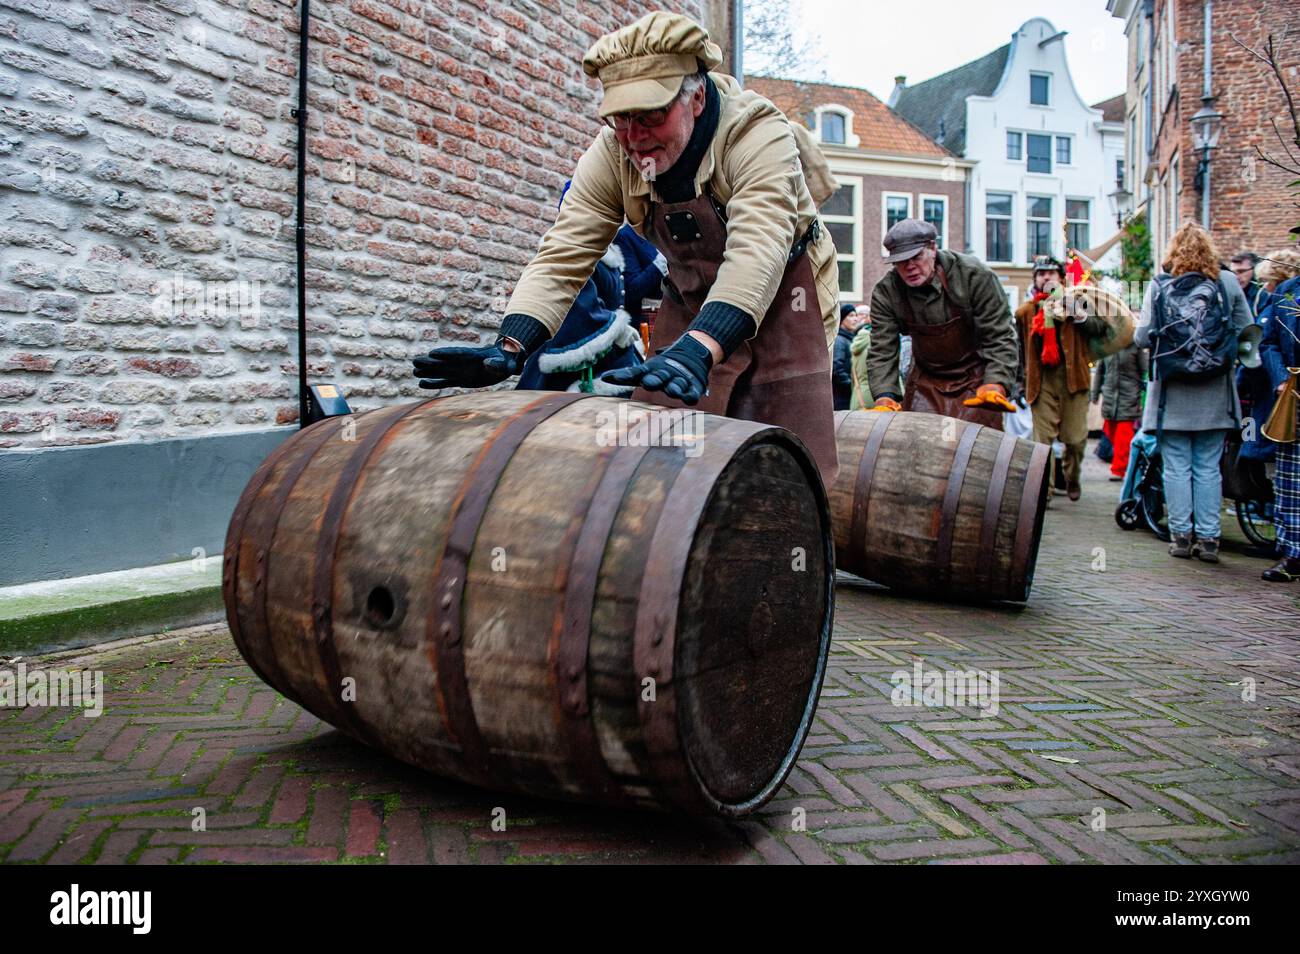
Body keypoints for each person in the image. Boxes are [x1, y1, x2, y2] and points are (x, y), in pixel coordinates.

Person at [411, 12, 840, 484]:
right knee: (659, 454)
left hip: (786, 302)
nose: (634, 138)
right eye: (621, 118)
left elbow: (758, 253)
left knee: (780, 462)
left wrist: (698, 351)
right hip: (692, 300)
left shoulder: (756, 133)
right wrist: (511, 345)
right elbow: (564, 252)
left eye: (651, 115)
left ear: (696, 97)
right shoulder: (613, 153)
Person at [1135, 223, 1252, 562]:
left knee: (1175, 467)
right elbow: (1248, 331)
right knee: (1208, 467)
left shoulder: (1159, 285)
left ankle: (1181, 536)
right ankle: (1210, 539)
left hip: (1171, 393)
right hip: (1215, 390)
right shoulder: (1227, 282)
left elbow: (1143, 337)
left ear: (1172, 252)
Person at [865, 219, 1020, 429]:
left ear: (933, 248)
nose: (909, 267)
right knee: (919, 446)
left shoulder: (973, 276)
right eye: (901, 261)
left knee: (977, 449)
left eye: (916, 257)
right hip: (925, 380)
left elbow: (999, 334)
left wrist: (996, 382)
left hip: (976, 378)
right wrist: (885, 396)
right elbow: (882, 349)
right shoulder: (887, 292)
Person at [1014, 255, 1106, 500]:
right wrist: (1018, 384)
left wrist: (1075, 311)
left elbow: (1099, 329)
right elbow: (1018, 351)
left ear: (1061, 278)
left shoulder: (1077, 304)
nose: (1046, 277)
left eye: (1051, 273)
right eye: (1041, 273)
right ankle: (1045, 492)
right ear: (1034, 279)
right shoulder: (1025, 312)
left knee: (1075, 441)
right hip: (1041, 383)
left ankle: (1072, 477)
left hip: (1074, 382)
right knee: (1041, 443)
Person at [1259, 265, 1300, 582]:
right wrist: (1280, 379)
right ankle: (1292, 553)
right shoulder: (1288, 290)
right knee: (1289, 480)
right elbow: (1268, 342)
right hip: (1292, 396)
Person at [1090, 339, 1147, 481]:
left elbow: (1145, 370)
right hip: (1109, 397)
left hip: (1129, 397)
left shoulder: (1136, 345)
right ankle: (1126, 463)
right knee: (1111, 431)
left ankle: (1120, 469)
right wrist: (1095, 393)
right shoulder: (1106, 344)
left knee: (1124, 435)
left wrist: (1143, 394)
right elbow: (1099, 372)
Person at [611, 222, 667, 324]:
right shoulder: (625, 236)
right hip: (649, 318)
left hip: (680, 314)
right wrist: (662, 262)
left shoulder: (668, 231)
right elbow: (632, 290)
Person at [832, 303, 864, 410]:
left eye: (856, 315)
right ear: (842, 319)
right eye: (850, 316)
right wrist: (853, 387)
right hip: (842, 398)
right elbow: (837, 369)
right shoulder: (840, 341)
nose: (855, 319)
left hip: (850, 396)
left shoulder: (851, 339)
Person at [1229, 251, 1271, 318]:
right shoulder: (1230, 294)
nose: (1236, 277)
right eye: (1233, 272)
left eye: (1241, 271)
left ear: (1256, 270)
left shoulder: (1264, 295)